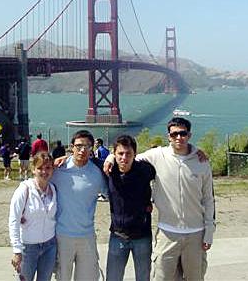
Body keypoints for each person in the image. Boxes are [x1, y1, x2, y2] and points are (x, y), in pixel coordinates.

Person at [104, 117, 215, 281]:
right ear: (168, 136)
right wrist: (109, 158)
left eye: (183, 133)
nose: (179, 137)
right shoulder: (157, 155)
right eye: (174, 134)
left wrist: (209, 232)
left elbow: (208, 198)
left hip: (195, 234)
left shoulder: (201, 162)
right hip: (166, 233)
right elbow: (128, 157)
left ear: (189, 135)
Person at [52, 130, 108, 281]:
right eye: (79, 146)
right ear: (72, 147)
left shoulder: (97, 173)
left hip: (87, 235)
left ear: (92, 149)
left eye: (87, 146)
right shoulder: (58, 169)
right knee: (62, 277)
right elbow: (39, 183)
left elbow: (114, 194)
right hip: (62, 235)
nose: (82, 150)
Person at [106, 135, 156, 281]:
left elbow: (167, 160)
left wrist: (194, 151)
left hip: (142, 236)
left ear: (135, 154)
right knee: (113, 277)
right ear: (114, 154)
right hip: (117, 235)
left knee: (143, 277)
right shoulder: (109, 170)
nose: (124, 158)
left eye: (128, 154)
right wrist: (63, 158)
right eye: (120, 154)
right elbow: (83, 161)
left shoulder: (145, 170)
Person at [9, 152, 57, 281]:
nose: (44, 172)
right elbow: (13, 220)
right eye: (40, 168)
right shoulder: (24, 190)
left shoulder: (53, 189)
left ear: (52, 169)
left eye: (47, 168)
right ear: (33, 169)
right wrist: (17, 250)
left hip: (49, 246)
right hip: (28, 248)